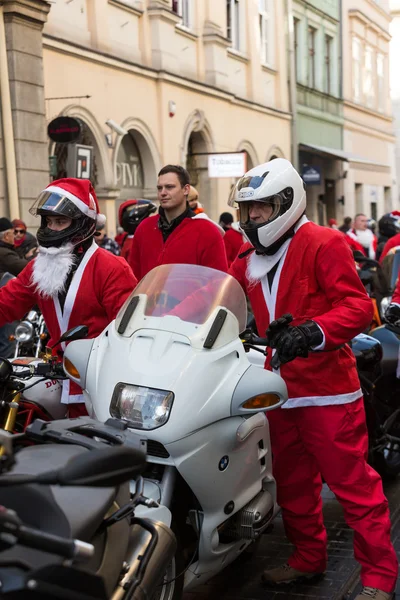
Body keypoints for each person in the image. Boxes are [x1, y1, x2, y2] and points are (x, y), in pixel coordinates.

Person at [228, 158, 397, 600]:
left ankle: (379, 578)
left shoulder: (323, 241)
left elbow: (357, 306)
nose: (251, 219)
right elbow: (218, 298)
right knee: (293, 485)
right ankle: (307, 557)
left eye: (260, 209)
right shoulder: (248, 254)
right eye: (247, 210)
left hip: (327, 392)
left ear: (285, 204)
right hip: (277, 389)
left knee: (354, 487)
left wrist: (312, 331)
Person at [0, 178, 137, 417]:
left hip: (98, 379)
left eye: (60, 221)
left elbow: (127, 332)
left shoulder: (111, 267)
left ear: (83, 224)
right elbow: (7, 302)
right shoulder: (39, 266)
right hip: (56, 374)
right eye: (48, 221)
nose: (51, 228)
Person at [128, 165, 228, 280]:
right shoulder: (144, 228)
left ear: (186, 189)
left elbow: (217, 282)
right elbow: (134, 278)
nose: (163, 193)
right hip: (148, 298)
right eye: (159, 188)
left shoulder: (207, 231)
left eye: (169, 187)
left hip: (193, 298)